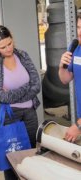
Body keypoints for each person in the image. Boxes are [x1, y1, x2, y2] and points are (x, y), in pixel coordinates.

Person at [0, 25, 40, 180]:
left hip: (29, 113)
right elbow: (1, 96)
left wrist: (14, 93)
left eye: (9, 43)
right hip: (8, 116)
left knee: (32, 154)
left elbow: (36, 84)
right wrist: (26, 89)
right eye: (2, 47)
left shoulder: (22, 55)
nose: (8, 49)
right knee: (11, 159)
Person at [59, 12, 81, 142]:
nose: (79, 32)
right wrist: (62, 66)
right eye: (78, 27)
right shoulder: (75, 48)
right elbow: (65, 79)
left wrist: (78, 125)